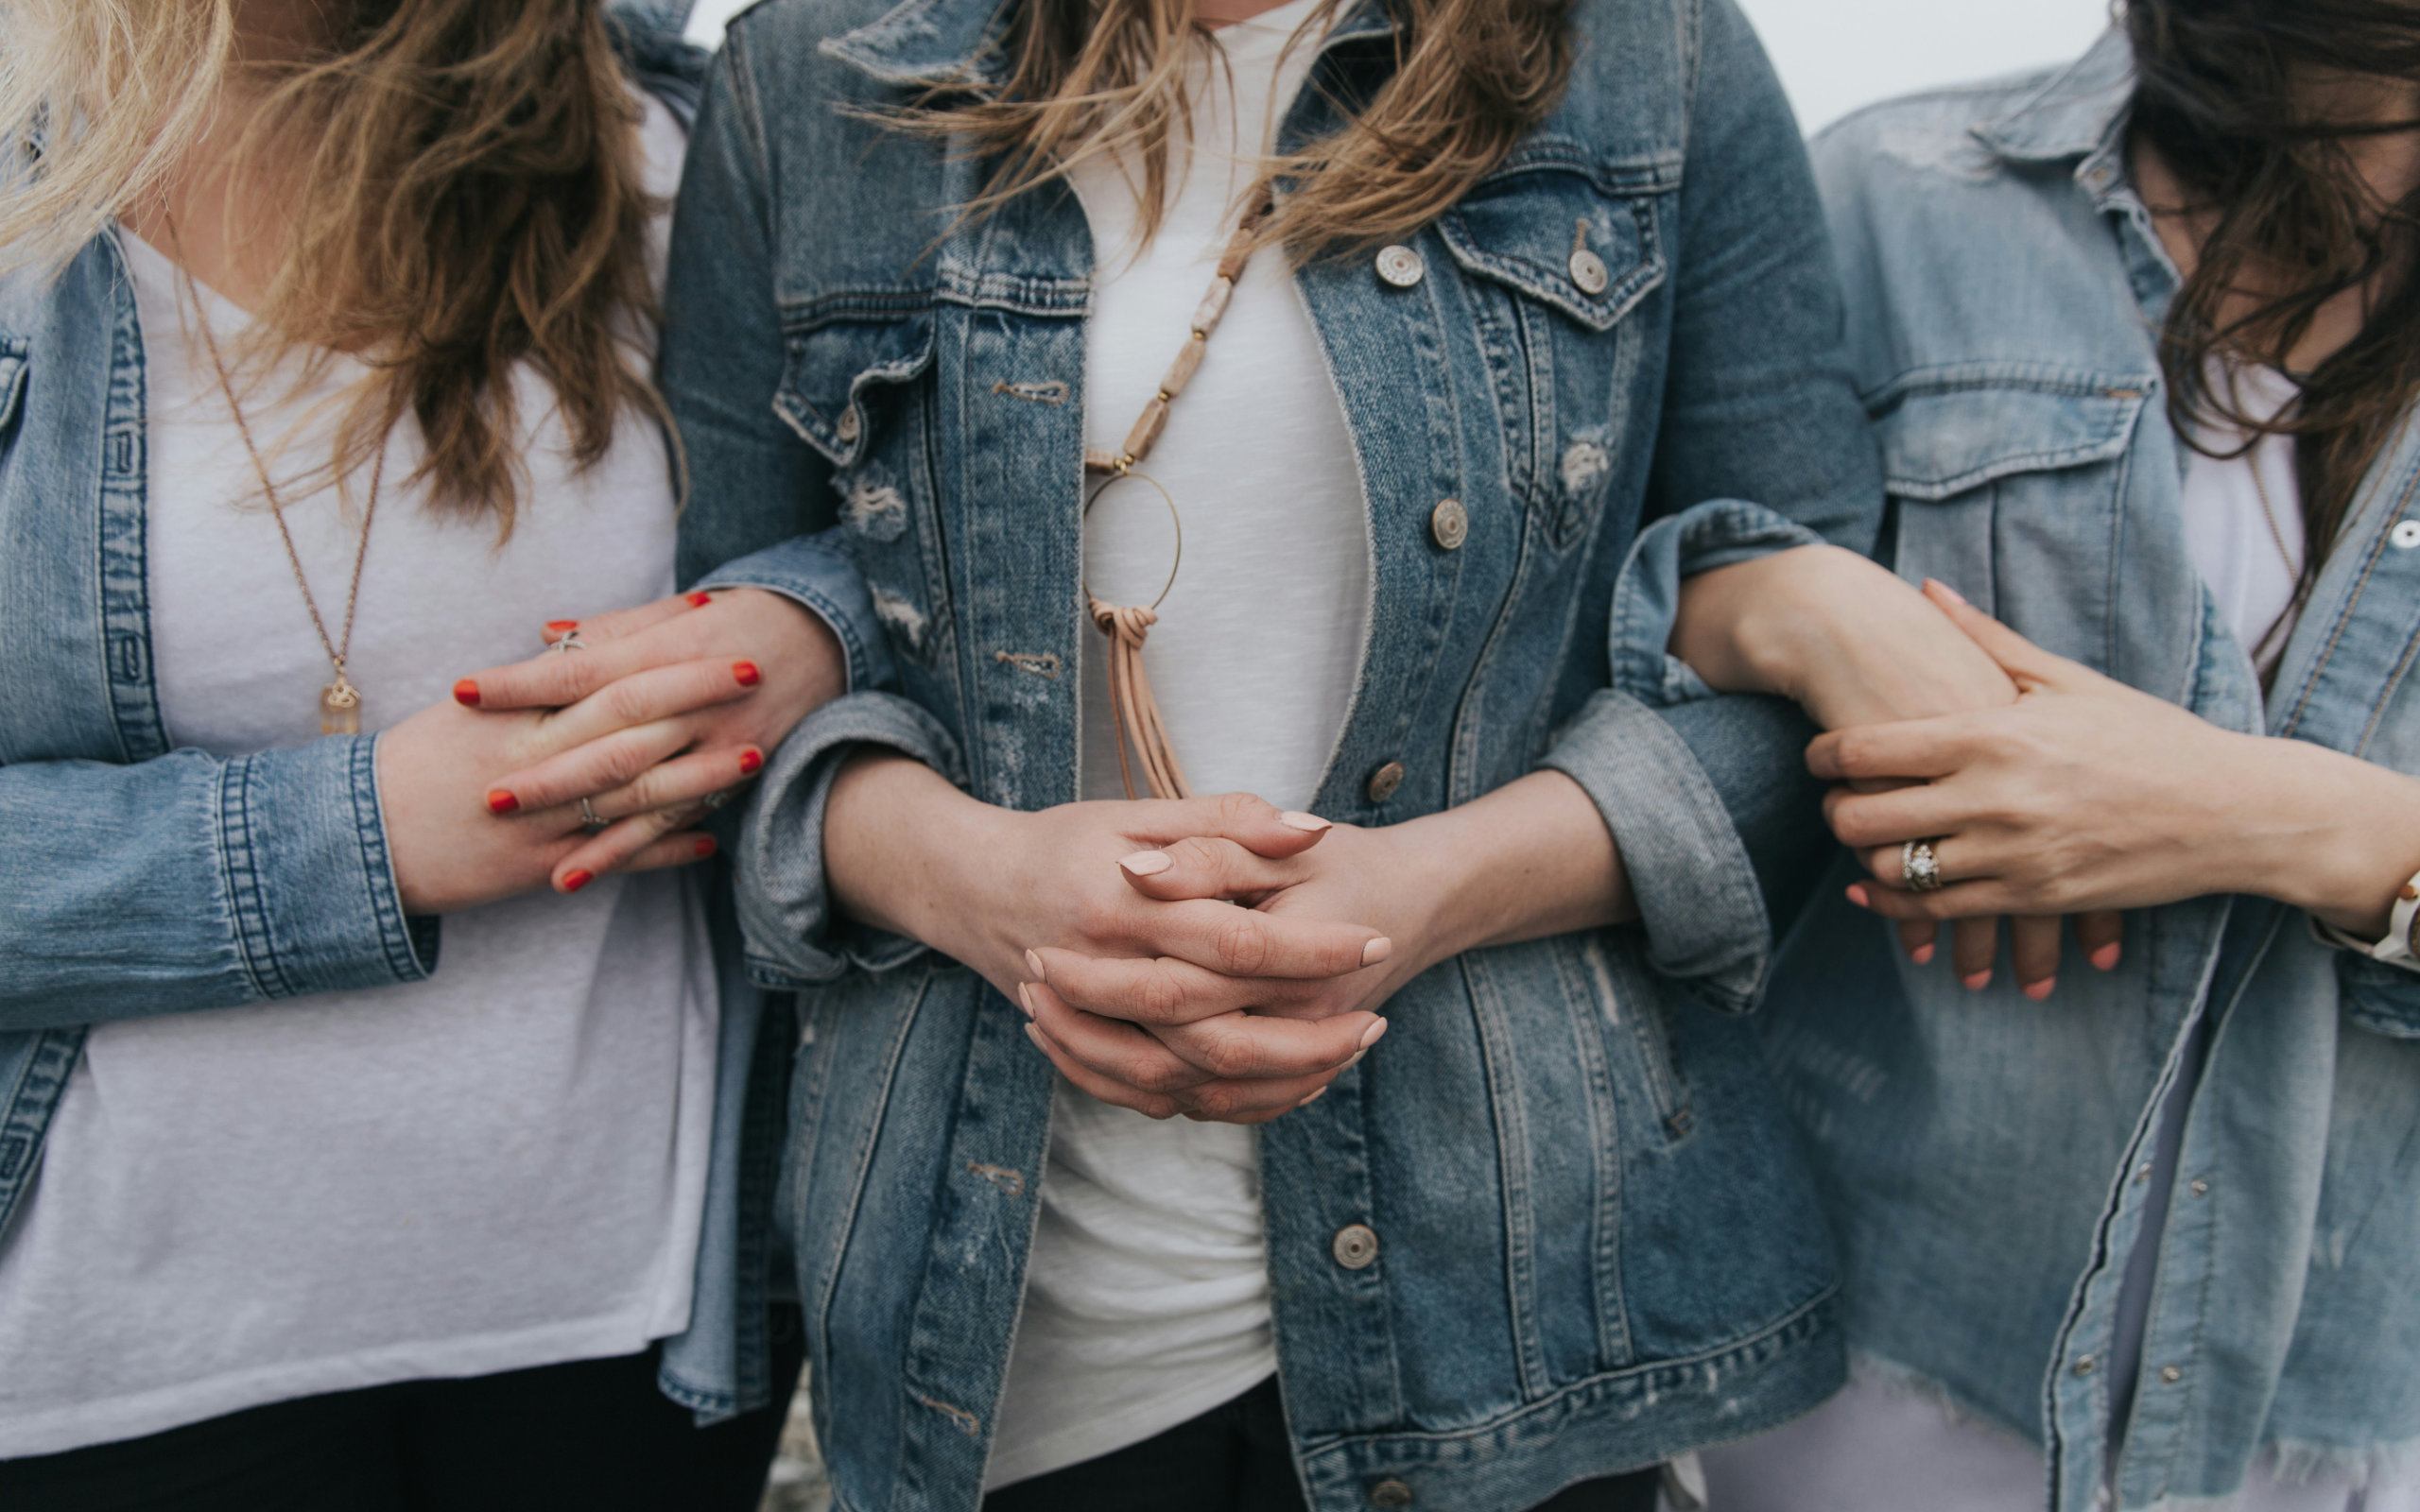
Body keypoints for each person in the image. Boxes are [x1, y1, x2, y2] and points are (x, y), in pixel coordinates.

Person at [610, 0, 2075, 1504]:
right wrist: (972, 880)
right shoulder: (815, 68)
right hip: (1008, 1334)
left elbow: (1794, 702)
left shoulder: (1651, 49)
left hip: (1519, 1309)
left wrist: (1435, 888)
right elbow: (748, 680)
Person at [0, 1, 874, 1505]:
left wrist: (812, 619)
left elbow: (953, 515)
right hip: (112, 1366)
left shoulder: (689, 134)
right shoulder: (33, 209)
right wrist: (359, 840)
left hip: (634, 1327)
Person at [1619, 3, 2420, 1506]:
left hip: (2343, 1409)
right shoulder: (1901, 196)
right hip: (1870, 1350)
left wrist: (2277, 820)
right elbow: (1612, 625)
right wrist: (1790, 599)